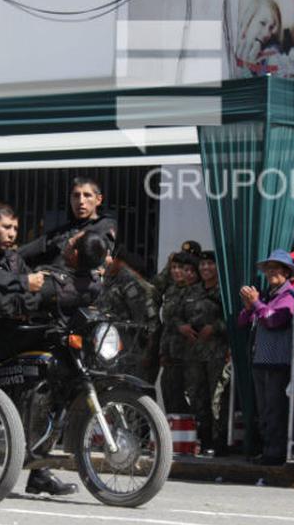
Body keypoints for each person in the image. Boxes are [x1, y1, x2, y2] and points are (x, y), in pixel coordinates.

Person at [238, 250, 294, 465]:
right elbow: (243, 321)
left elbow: (275, 320)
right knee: (264, 410)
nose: (271, 272)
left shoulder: (290, 296)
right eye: (268, 269)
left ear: (286, 272)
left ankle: (275, 452)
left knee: (275, 410)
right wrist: (250, 306)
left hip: (278, 361)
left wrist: (255, 304)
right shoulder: (266, 295)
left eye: (276, 268)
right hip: (260, 359)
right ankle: (267, 449)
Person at [179, 251, 228, 453]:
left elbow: (234, 319)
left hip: (217, 354)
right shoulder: (191, 291)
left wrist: (215, 327)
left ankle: (220, 442)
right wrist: (181, 327)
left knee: (216, 397)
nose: (205, 268)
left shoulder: (223, 291)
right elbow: (175, 316)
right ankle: (204, 439)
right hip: (194, 354)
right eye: (203, 264)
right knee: (197, 397)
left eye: (210, 264)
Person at [18, 176, 117, 270]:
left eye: (87, 195)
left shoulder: (105, 225)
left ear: (98, 200)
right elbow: (29, 250)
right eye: (76, 195)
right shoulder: (62, 231)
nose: (81, 201)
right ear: (70, 199)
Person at [97, 246, 159, 382]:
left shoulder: (132, 284)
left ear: (121, 262)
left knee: (132, 390)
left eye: (114, 259)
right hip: (113, 347)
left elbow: (149, 322)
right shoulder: (110, 280)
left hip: (132, 350)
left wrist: (148, 353)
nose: (110, 262)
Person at [160, 252, 200, 414]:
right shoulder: (171, 291)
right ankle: (174, 437)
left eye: (182, 268)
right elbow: (167, 325)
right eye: (174, 267)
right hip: (171, 353)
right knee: (169, 395)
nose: (177, 271)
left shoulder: (195, 291)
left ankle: (189, 437)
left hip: (187, 355)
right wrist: (162, 352)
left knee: (185, 399)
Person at [235, 0, 282, 77]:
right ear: (248, 21)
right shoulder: (231, 48)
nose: (267, 33)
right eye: (262, 23)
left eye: (271, 28)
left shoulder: (271, 57)